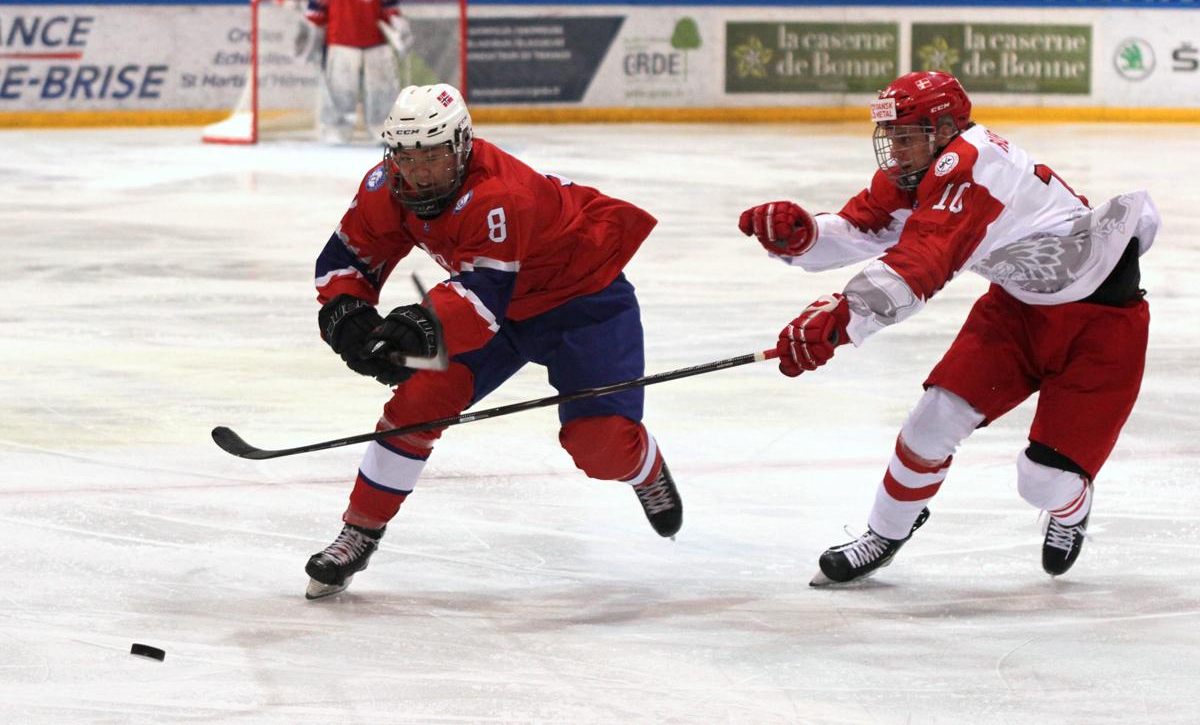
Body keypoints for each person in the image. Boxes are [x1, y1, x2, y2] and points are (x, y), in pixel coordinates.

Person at [739, 70, 1159, 585]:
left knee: (1041, 482)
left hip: (1102, 329)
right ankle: (885, 534)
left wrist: (841, 318)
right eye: (890, 136)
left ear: (942, 129)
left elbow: (921, 264)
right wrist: (805, 237)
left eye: (905, 136)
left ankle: (1072, 508)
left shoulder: (975, 170)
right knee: (930, 422)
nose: (894, 150)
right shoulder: (924, 169)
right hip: (1018, 311)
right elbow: (866, 227)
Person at [304, 83, 681, 599]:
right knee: (417, 403)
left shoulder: (500, 193)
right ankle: (360, 531)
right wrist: (347, 312)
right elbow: (347, 256)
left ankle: (645, 467)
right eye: (407, 158)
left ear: (461, 146)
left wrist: (416, 330)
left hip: (583, 302)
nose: (419, 173)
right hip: (496, 305)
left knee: (601, 448)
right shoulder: (386, 185)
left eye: (433, 157)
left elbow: (481, 303)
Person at [304, 0, 412, 144]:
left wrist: (396, 21)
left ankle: (383, 130)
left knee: (381, 90)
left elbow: (388, 3)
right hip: (340, 41)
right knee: (340, 90)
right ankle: (336, 131)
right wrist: (309, 32)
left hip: (376, 42)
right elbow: (316, 8)